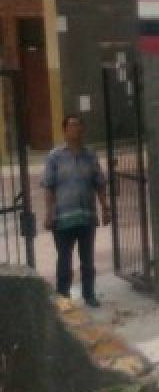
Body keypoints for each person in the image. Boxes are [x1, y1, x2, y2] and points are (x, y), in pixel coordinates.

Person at [41, 114, 110, 307]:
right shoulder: (54, 156)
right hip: (62, 219)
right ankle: (63, 298)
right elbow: (48, 186)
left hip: (87, 217)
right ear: (64, 130)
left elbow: (99, 182)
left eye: (79, 125)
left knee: (87, 260)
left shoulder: (90, 155)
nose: (76, 129)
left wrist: (105, 207)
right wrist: (49, 213)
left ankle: (89, 295)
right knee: (64, 261)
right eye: (72, 126)